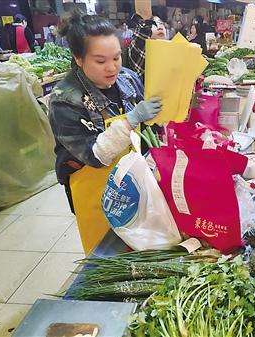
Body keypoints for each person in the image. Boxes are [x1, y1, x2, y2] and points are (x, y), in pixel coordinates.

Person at [48, 11, 162, 254]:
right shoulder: (65, 99)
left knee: (140, 246)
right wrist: (132, 119)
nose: (112, 68)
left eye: (117, 58)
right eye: (100, 61)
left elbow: (149, 128)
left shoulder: (128, 79)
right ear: (79, 58)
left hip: (134, 178)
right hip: (96, 189)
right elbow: (95, 155)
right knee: (108, 255)